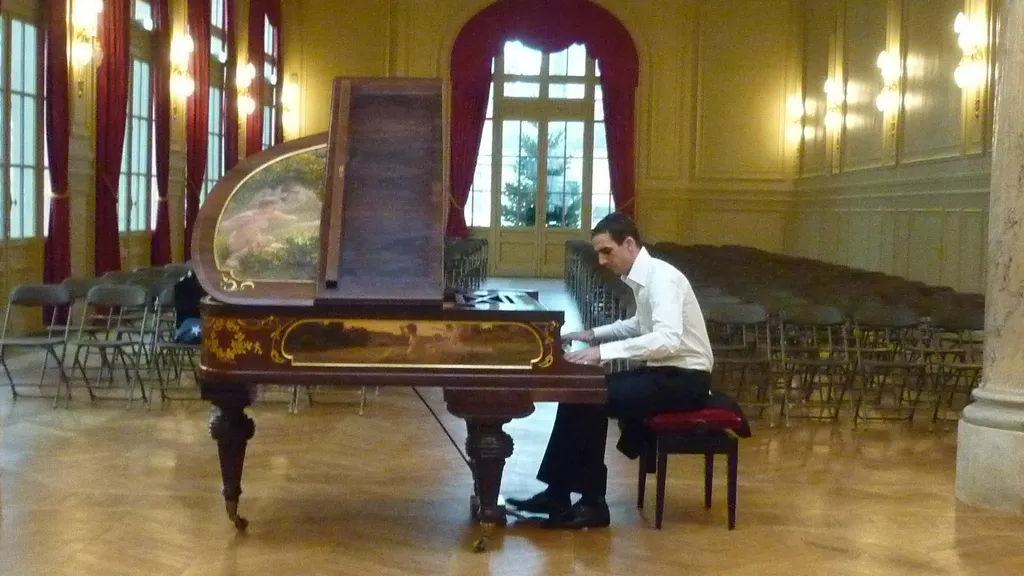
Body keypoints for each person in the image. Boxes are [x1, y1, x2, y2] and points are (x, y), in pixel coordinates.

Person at [506, 212, 715, 529]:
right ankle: (557, 494)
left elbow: (667, 340)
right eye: (599, 253)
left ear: (629, 244)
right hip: (665, 374)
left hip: (685, 381)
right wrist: (590, 335)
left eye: (607, 251)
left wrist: (601, 353)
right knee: (578, 392)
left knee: (593, 397)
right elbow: (638, 325)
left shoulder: (663, 279)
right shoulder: (646, 277)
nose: (602, 261)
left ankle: (593, 504)